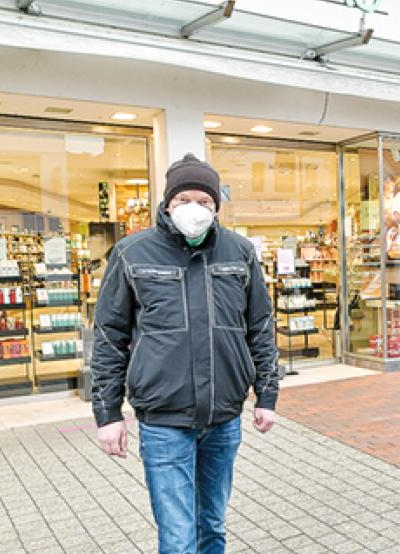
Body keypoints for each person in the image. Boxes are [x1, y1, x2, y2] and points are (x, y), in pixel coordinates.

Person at [91, 153, 278, 554]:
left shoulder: (240, 252)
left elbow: (260, 327)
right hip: (164, 419)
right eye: (183, 199)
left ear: (216, 206)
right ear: (167, 203)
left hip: (223, 417)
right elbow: (109, 336)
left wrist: (267, 395)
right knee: (178, 539)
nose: (194, 208)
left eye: (204, 201)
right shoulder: (131, 253)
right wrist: (108, 414)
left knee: (212, 526)